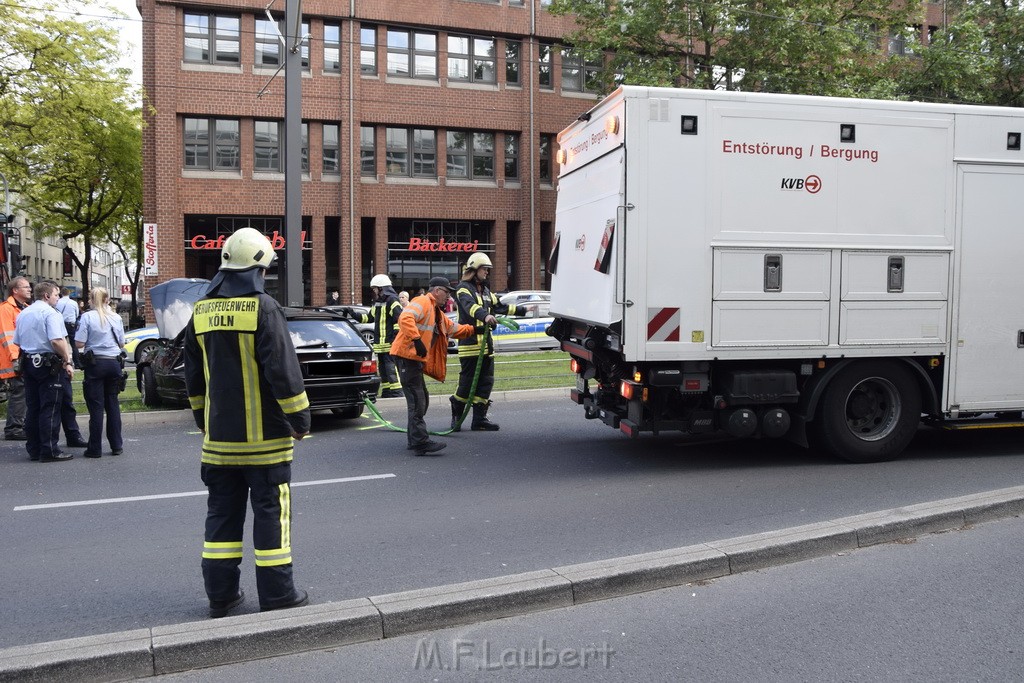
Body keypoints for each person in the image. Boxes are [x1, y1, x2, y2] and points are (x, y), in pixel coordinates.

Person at [183, 227, 311, 618]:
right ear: (258, 267)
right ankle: (278, 594)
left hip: (219, 444)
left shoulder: (200, 311)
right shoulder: (264, 307)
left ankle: (220, 596)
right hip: (267, 445)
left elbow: (194, 380)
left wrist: (206, 422)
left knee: (221, 517)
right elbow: (283, 372)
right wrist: (300, 419)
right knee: (272, 517)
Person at [391, 277, 472, 456]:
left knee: (421, 399)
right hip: (407, 357)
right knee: (417, 400)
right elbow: (405, 317)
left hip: (413, 359)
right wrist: (417, 339)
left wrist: (475, 330)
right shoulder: (422, 301)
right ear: (436, 291)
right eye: (447, 292)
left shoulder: (437, 312)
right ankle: (420, 442)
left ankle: (415, 440)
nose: (449, 296)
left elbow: (453, 328)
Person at [450, 252, 528, 432]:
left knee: (486, 382)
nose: (487, 272)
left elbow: (500, 306)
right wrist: (485, 316)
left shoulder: (485, 291)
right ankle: (456, 414)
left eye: (487, 270)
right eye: (485, 269)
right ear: (474, 269)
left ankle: (479, 420)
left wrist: (524, 310)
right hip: (470, 344)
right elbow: (470, 307)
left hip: (486, 346)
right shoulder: (463, 289)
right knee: (467, 383)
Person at [12, 281, 76, 462]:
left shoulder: (24, 313)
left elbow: (17, 341)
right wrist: (67, 360)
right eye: (56, 294)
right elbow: (57, 340)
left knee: (33, 407)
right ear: (47, 296)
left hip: (29, 363)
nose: (57, 298)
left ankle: (34, 449)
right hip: (48, 365)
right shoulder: (50, 313)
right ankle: (50, 450)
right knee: (50, 407)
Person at [74, 287, 126, 458]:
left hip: (95, 364)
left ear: (90, 299)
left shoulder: (87, 317)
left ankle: (95, 448)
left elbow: (79, 343)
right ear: (107, 300)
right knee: (112, 404)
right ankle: (117, 445)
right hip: (114, 363)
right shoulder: (116, 318)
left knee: (96, 408)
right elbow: (121, 344)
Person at [348, 274, 404, 398]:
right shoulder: (378, 302)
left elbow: (399, 320)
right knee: (383, 369)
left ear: (381, 288)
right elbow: (368, 318)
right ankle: (387, 390)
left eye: (375, 288)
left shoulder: (392, 300)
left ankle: (397, 390)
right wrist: (353, 314)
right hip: (380, 343)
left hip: (389, 342)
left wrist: (394, 338)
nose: (374, 291)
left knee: (391, 367)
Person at [0, 277, 32, 440]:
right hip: (14, 360)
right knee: (19, 393)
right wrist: (15, 360)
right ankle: (14, 428)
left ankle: (19, 426)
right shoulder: (6, 309)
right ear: (15, 290)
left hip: (21, 358)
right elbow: (7, 336)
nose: (29, 289)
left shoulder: (24, 308)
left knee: (23, 392)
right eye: (25, 287)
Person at [55, 287, 81, 369]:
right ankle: (77, 363)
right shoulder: (73, 303)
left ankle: (61, 362)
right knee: (74, 345)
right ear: (69, 293)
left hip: (61, 324)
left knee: (60, 343)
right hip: (71, 325)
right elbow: (77, 314)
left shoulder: (58, 302)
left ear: (61, 293)